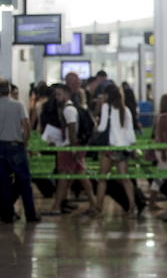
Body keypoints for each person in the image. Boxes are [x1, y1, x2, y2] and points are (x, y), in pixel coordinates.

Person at [47, 84, 98, 216]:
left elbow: (72, 129)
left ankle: (57, 206)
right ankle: (93, 203)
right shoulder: (73, 108)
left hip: (69, 147)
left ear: (67, 94)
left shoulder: (68, 110)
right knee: (81, 175)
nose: (56, 97)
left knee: (63, 177)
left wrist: (72, 147)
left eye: (59, 94)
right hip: (75, 146)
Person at [94, 84, 138, 216]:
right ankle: (132, 206)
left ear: (107, 95)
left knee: (102, 178)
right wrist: (133, 148)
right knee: (125, 178)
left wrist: (95, 125)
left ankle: (98, 207)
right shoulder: (126, 110)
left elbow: (102, 128)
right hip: (123, 148)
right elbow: (130, 133)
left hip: (109, 148)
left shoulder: (106, 107)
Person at [0, 79, 38, 223]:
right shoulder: (17, 105)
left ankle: (7, 215)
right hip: (15, 147)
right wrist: (25, 142)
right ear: (9, 90)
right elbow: (26, 125)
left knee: (3, 183)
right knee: (24, 181)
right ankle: (31, 215)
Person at [151, 93, 167, 210]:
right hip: (165, 150)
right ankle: (152, 200)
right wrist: (165, 152)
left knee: (160, 176)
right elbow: (163, 135)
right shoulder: (166, 117)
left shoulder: (161, 116)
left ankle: (152, 200)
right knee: (162, 176)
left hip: (162, 149)